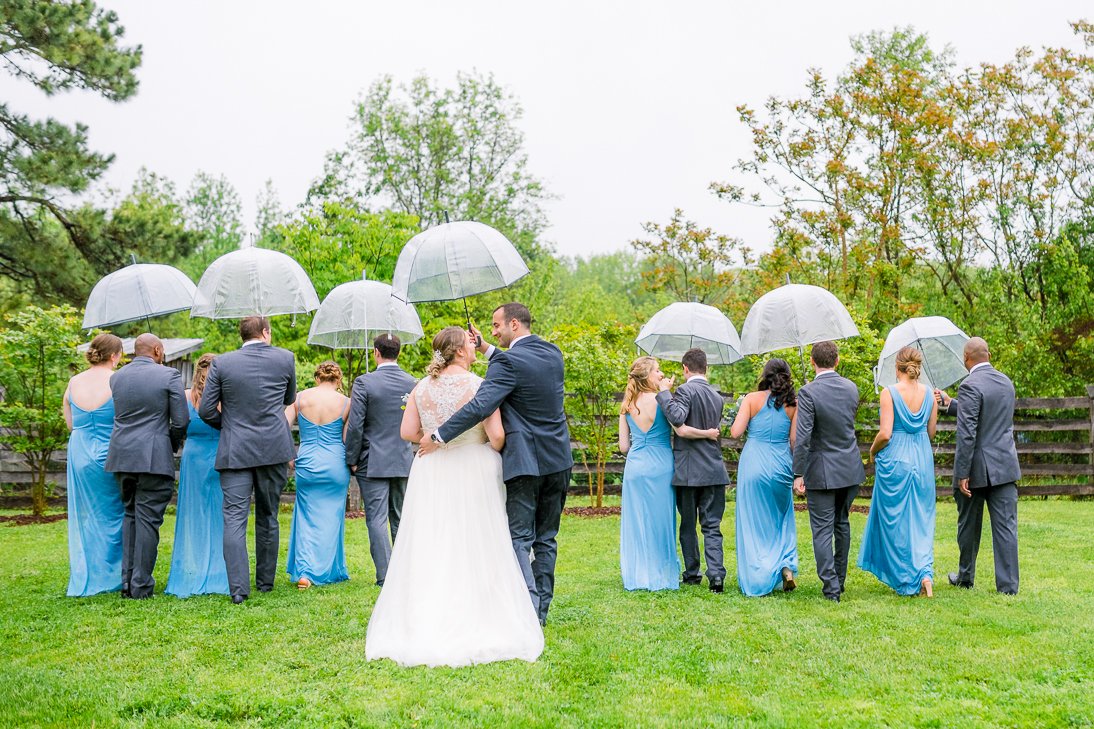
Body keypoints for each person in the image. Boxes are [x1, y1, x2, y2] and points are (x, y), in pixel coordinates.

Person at [366, 327, 544, 667]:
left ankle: (428, 613)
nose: (476, 346)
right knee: (477, 540)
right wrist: (475, 442)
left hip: (431, 469)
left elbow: (407, 433)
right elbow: (496, 437)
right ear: (460, 351)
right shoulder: (479, 386)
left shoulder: (421, 386)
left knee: (435, 540)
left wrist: (436, 439)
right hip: (474, 467)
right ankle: (479, 612)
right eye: (470, 343)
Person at [418, 303, 572, 626]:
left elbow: (481, 405)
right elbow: (516, 364)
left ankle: (527, 614)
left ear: (514, 324)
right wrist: (486, 347)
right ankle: (541, 610)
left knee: (519, 538)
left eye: (496, 325)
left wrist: (439, 435)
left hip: (524, 462)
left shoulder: (507, 363)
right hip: (559, 458)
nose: (492, 331)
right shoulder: (553, 354)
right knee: (547, 538)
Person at [199, 316, 296, 604]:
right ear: (265, 333)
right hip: (274, 449)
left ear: (242, 335)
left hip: (235, 450)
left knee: (234, 519)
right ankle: (265, 582)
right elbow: (288, 398)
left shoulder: (223, 363)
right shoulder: (285, 358)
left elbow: (206, 409)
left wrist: (228, 426)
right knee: (269, 514)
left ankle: (238, 590)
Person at [618, 357, 719, 591]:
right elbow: (681, 430)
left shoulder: (626, 405)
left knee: (637, 521)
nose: (661, 374)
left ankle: (638, 574)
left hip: (635, 466)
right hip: (660, 465)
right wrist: (708, 433)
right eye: (657, 371)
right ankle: (659, 573)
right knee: (661, 520)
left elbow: (624, 447)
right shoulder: (661, 400)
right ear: (647, 376)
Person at [105, 333, 189, 599]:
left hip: (121, 456)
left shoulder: (116, 377)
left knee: (130, 515)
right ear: (157, 349)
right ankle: (141, 585)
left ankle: (128, 582)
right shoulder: (169, 376)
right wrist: (170, 445)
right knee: (148, 520)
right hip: (153, 457)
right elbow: (181, 420)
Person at [934, 337, 1021, 594]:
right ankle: (1008, 587)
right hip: (1005, 465)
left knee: (968, 525)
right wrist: (950, 404)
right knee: (1006, 527)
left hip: (976, 469)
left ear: (966, 359)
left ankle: (965, 576)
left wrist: (962, 473)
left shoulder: (970, 385)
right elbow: (989, 414)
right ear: (989, 354)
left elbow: (968, 432)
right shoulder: (1006, 382)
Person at [858, 347, 938, 597]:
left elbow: (885, 433)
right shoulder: (930, 396)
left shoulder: (889, 393)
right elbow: (931, 432)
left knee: (896, 521)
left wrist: (872, 451)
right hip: (922, 458)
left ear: (897, 367)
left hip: (896, 459)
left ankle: (906, 578)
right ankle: (925, 574)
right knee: (921, 519)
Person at [793, 340, 865, 603]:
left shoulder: (808, 392)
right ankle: (840, 580)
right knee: (841, 524)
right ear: (837, 361)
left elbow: (802, 438)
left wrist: (798, 473)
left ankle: (831, 586)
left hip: (822, 470)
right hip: (850, 467)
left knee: (822, 529)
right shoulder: (851, 388)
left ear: (813, 362)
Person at [344, 334, 417, 586]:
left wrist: (351, 458)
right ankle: (406, 571)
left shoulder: (365, 382)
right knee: (400, 517)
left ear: (376, 352)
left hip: (372, 461)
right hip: (403, 459)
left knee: (376, 519)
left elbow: (355, 426)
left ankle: (386, 576)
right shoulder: (413, 382)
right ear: (399, 352)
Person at [656, 348, 730, 592]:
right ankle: (717, 575)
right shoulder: (717, 396)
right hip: (714, 469)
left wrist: (665, 393)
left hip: (688, 470)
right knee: (712, 525)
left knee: (688, 523)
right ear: (706, 368)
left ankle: (692, 573)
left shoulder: (685, 390)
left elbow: (677, 418)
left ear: (685, 369)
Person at [62, 333, 125, 597]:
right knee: (114, 511)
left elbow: (69, 422)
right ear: (114, 356)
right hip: (109, 450)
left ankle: (87, 570)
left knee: (86, 512)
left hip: (79, 450)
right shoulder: (116, 380)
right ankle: (111, 573)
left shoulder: (74, 381)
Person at [730, 358, 799, 597]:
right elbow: (794, 441)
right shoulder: (794, 404)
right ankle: (785, 565)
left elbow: (736, 432)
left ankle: (759, 575)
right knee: (781, 518)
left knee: (753, 521)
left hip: (754, 462)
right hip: (781, 463)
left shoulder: (751, 399)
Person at [165, 353, 229, 598]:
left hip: (192, 456)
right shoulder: (224, 398)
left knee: (192, 513)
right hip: (220, 454)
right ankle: (217, 571)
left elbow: (177, 425)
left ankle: (192, 568)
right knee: (221, 513)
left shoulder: (184, 395)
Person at [285, 361, 352, 589]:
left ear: (317, 378)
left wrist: (289, 456)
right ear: (338, 380)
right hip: (335, 462)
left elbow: (282, 426)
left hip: (308, 462)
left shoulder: (300, 398)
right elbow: (347, 439)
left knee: (306, 518)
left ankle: (305, 572)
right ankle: (328, 569)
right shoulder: (346, 403)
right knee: (331, 519)